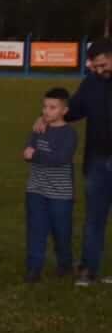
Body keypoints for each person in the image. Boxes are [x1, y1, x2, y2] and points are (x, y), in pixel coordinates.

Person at [58, 38, 112, 285]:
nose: (99, 70)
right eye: (95, 66)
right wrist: (49, 117)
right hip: (98, 162)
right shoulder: (91, 82)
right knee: (94, 218)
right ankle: (89, 269)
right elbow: (75, 109)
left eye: (102, 65)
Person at [23, 87, 77, 281]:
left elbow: (60, 158)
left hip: (60, 194)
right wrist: (32, 154)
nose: (47, 111)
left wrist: (36, 155)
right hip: (36, 190)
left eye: (53, 107)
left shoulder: (69, 134)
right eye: (45, 107)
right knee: (36, 230)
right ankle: (33, 268)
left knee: (61, 232)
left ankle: (65, 264)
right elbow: (27, 152)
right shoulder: (39, 129)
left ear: (64, 111)